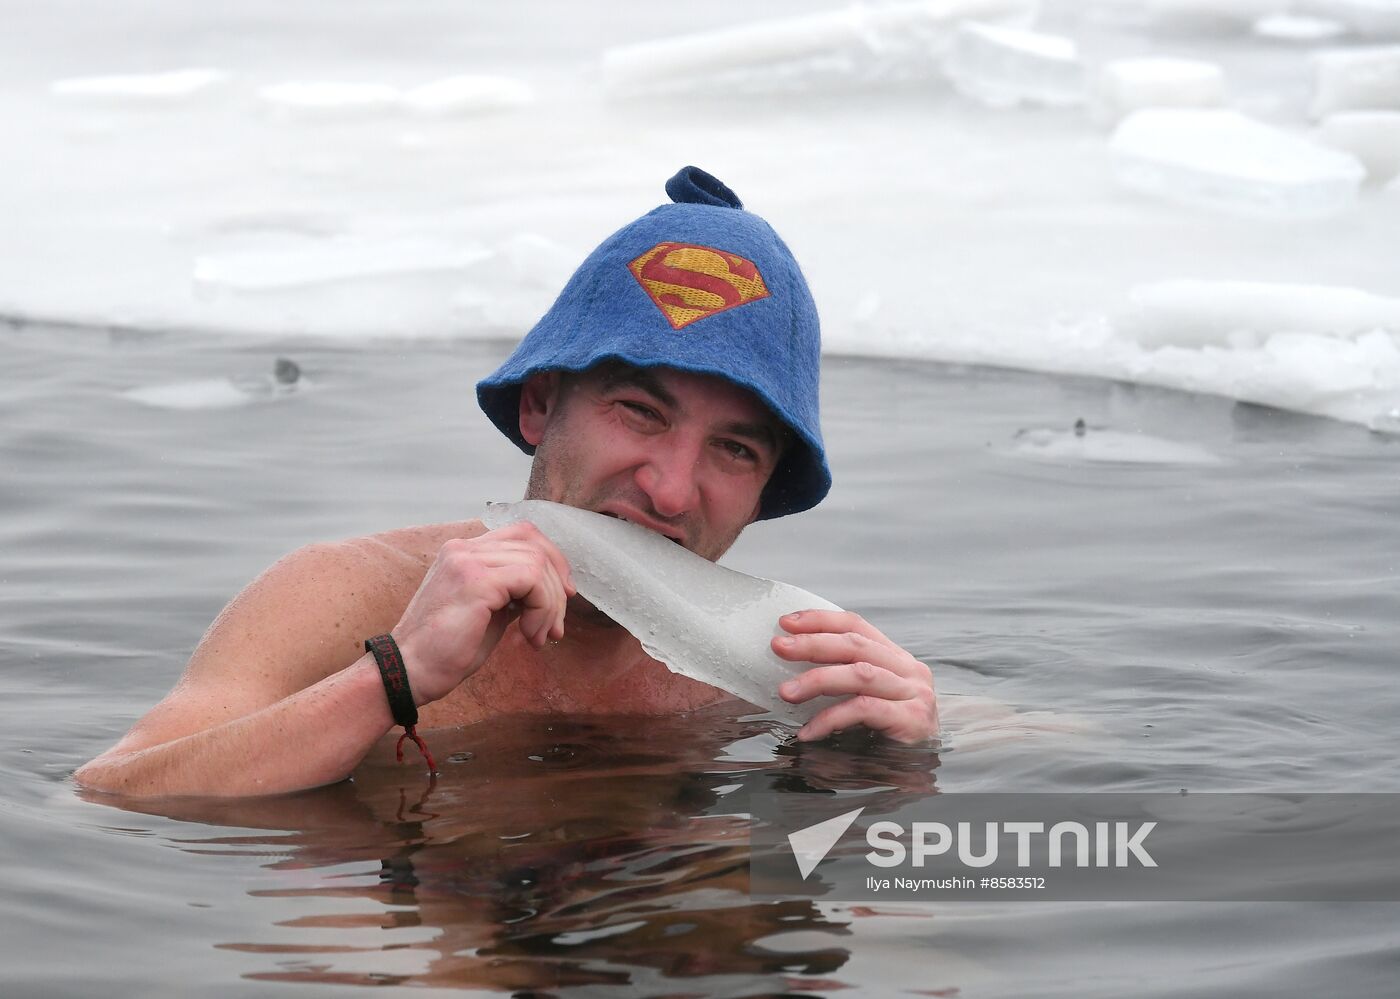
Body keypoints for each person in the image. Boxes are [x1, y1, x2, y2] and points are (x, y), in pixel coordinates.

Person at [75, 166, 938, 798]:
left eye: (735, 450)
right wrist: (395, 676)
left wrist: (900, 764)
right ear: (540, 406)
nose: (672, 491)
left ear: (765, 489)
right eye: (640, 410)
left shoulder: (788, 669)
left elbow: (1038, 799)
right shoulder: (343, 596)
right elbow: (113, 793)